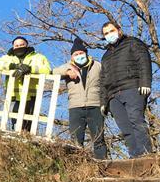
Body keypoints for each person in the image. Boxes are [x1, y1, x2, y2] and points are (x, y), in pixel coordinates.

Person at [99, 20, 153, 158]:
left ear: (119, 29)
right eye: (106, 33)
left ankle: (146, 155)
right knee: (125, 128)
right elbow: (103, 80)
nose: (109, 35)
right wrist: (103, 102)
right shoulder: (105, 56)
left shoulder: (133, 42)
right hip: (113, 96)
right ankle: (134, 156)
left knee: (136, 120)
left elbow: (144, 61)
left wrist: (145, 82)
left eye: (111, 31)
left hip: (132, 89)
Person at [53, 37, 107, 159]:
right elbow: (53, 72)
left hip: (95, 106)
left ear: (86, 54)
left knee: (99, 138)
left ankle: (103, 165)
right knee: (76, 141)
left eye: (81, 53)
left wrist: (105, 103)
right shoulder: (67, 66)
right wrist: (67, 71)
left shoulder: (97, 66)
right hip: (75, 108)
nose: (79, 55)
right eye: (76, 54)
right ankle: (78, 166)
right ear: (72, 56)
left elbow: (106, 83)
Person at [0, 36, 52, 131]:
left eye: (22, 44)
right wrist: (13, 66)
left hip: (32, 94)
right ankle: (16, 140)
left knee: (30, 122)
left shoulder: (38, 57)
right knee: (15, 121)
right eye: (17, 45)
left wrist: (30, 68)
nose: (19, 47)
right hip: (14, 95)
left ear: (27, 45)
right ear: (13, 47)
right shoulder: (7, 58)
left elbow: (47, 70)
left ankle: (28, 140)